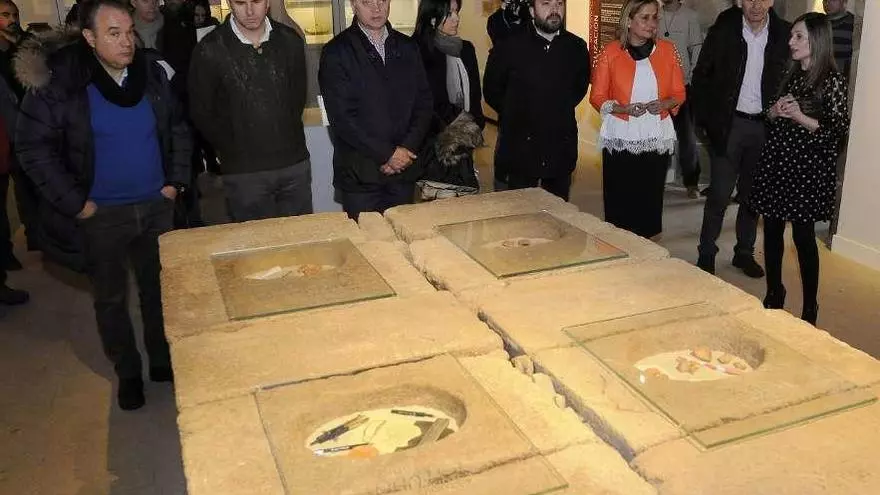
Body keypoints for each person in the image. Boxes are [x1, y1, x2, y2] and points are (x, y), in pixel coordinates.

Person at [15, 0, 192, 410]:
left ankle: (162, 360)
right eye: (113, 33)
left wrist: (175, 183)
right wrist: (76, 204)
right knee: (110, 300)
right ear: (89, 37)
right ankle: (128, 371)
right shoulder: (62, 84)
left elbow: (178, 127)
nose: (126, 42)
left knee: (160, 292)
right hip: (101, 215)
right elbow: (33, 147)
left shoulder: (150, 73)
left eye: (129, 32)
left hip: (156, 206)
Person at [749, 13, 848, 326]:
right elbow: (768, 118)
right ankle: (774, 291)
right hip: (778, 162)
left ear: (816, 40)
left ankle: (809, 306)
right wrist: (775, 112)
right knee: (772, 230)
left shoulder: (833, 81)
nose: (791, 42)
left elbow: (837, 132)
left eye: (799, 36)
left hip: (807, 169)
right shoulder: (789, 73)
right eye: (792, 36)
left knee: (803, 239)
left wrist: (801, 118)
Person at [691, 0, 790, 277]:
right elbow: (701, 75)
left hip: (765, 127)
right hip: (729, 124)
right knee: (719, 194)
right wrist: (705, 120)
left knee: (752, 196)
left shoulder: (784, 34)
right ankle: (706, 252)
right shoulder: (724, 30)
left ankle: (744, 252)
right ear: (739, 1)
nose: (756, 5)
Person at [189, 0, 311, 222]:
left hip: (293, 164)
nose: (249, 10)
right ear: (229, 3)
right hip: (243, 173)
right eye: (240, 2)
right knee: (254, 243)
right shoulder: (209, 48)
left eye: (256, 1)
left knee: (301, 240)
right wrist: (232, 149)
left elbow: (297, 98)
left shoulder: (290, 41)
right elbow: (202, 112)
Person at [319, 0, 433, 219]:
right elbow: (342, 118)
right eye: (367, 2)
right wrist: (387, 155)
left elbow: (424, 103)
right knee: (366, 238)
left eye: (381, 0)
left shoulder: (408, 47)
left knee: (403, 235)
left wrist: (406, 148)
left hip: (403, 171)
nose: (376, 8)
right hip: (361, 175)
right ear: (353, 5)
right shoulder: (336, 52)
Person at [590, 0, 685, 239]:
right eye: (645, 17)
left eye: (654, 18)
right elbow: (597, 96)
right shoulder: (610, 52)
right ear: (629, 21)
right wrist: (622, 109)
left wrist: (664, 104)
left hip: (655, 133)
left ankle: (647, 247)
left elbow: (679, 92)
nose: (652, 24)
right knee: (619, 198)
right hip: (621, 134)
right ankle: (619, 245)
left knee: (649, 198)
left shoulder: (668, 50)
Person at [483, 0, 589, 201]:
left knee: (557, 211)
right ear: (532, 11)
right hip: (520, 147)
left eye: (559, 3)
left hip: (560, 145)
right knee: (520, 210)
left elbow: (578, 88)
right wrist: (517, 111)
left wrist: (554, 107)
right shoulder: (509, 45)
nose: (554, 10)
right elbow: (492, 90)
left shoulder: (576, 47)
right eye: (546, 3)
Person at [412, 0, 485, 196]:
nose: (456, 18)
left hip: (465, 138)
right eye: (450, 13)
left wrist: (474, 127)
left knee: (464, 203)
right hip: (433, 142)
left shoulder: (466, 49)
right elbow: (421, 101)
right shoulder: (417, 50)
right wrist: (451, 130)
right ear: (432, 18)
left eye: (457, 12)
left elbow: (475, 95)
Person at [659, 0, 702, 199]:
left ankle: (691, 182)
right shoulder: (654, 14)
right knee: (659, 136)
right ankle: (657, 178)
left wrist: (692, 79)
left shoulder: (690, 16)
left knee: (687, 137)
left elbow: (697, 50)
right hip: (658, 87)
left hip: (683, 87)